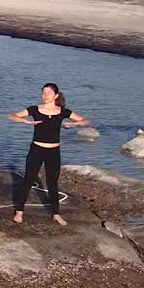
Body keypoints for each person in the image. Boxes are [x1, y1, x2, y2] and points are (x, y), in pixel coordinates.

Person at [7, 83, 91, 226]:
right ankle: (19, 212)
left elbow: (85, 120)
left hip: (54, 151)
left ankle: (56, 214)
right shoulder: (35, 109)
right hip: (36, 149)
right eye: (43, 93)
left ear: (56, 95)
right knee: (28, 180)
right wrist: (24, 121)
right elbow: (11, 116)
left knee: (52, 183)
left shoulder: (63, 112)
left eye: (48, 93)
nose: (45, 96)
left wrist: (74, 124)